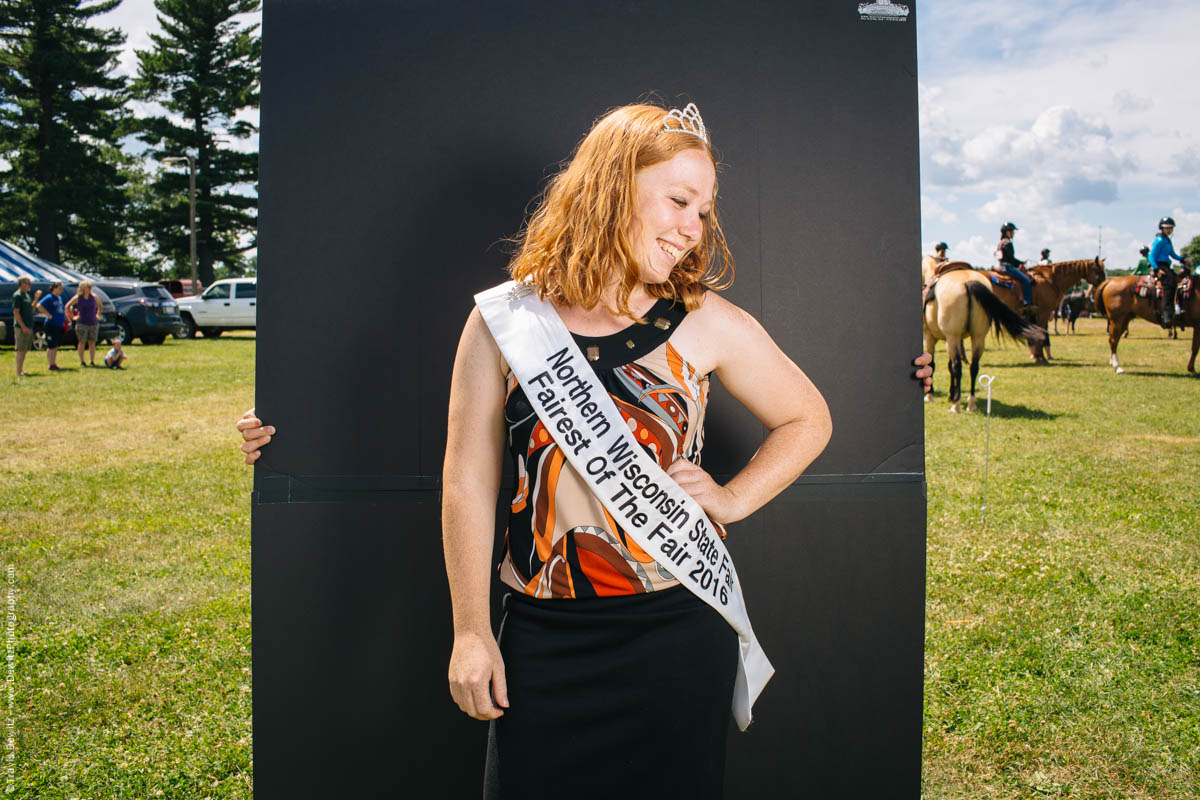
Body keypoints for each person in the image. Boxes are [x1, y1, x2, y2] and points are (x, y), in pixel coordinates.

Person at [234, 102, 936, 796]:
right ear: (612, 187)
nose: (694, 230)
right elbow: (466, 483)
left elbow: (808, 418)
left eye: (704, 211)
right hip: (544, 637)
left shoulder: (705, 322)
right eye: (679, 201)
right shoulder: (504, 322)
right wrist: (472, 632)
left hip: (676, 632)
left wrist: (733, 498)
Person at [1148, 216, 1190, 326]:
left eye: (1171, 228)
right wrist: (1157, 269)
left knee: (1178, 280)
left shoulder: (1167, 240)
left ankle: (1177, 307)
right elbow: (1151, 257)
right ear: (1161, 228)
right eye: (1167, 228)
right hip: (1160, 266)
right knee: (1169, 284)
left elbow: (1172, 254)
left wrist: (1182, 259)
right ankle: (1167, 314)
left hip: (1167, 266)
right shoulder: (1159, 240)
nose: (1169, 230)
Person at [995, 222, 1033, 312]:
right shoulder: (1008, 243)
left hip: (1000, 266)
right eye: (1012, 231)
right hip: (1007, 267)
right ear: (1007, 232)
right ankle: (1027, 303)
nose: (1013, 233)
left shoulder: (1000, 243)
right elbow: (1011, 260)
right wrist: (1021, 263)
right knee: (1026, 280)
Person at [65, 280, 101, 366]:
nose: (89, 289)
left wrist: (98, 315)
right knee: (82, 341)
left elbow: (100, 305)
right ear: (83, 288)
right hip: (82, 323)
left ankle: (92, 361)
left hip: (93, 322)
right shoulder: (78, 298)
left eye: (90, 287)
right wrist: (72, 317)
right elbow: (67, 306)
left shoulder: (94, 297)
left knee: (92, 342)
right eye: (87, 287)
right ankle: (82, 361)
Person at [35, 280, 68, 371]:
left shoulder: (59, 298)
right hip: (51, 324)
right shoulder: (49, 297)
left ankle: (54, 363)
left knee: (56, 345)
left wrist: (66, 319)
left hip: (59, 324)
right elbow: (39, 306)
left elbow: (61, 310)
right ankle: (51, 364)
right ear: (54, 289)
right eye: (60, 289)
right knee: (51, 345)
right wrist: (48, 314)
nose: (61, 290)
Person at [11, 275, 38, 376]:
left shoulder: (26, 295)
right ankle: (18, 371)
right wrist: (23, 326)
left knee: (25, 349)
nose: (30, 285)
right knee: (20, 349)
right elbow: (16, 312)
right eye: (28, 283)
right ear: (22, 284)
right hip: (21, 327)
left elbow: (32, 309)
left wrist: (36, 298)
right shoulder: (17, 295)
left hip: (28, 325)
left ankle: (21, 369)